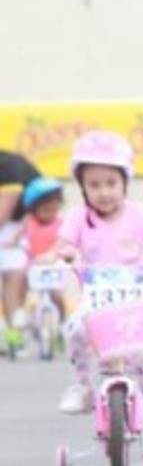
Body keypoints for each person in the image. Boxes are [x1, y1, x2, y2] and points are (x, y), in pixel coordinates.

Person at [55, 131, 143, 446]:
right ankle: (84, 387)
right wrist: (63, 253)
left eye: (111, 183)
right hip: (95, 300)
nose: (103, 192)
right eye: (94, 185)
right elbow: (63, 244)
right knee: (75, 330)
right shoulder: (78, 217)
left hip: (133, 299)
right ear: (82, 187)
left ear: (125, 183)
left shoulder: (139, 214)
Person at [12, 177, 68, 327]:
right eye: (45, 209)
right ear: (33, 208)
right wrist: (11, 243)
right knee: (21, 278)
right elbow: (15, 237)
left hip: (53, 264)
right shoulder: (28, 221)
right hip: (34, 263)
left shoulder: (61, 223)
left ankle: (63, 320)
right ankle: (20, 310)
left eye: (54, 208)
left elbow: (64, 242)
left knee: (56, 294)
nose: (50, 212)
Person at [0, 151, 42, 352]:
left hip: (18, 225)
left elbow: (4, 211)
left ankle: (13, 334)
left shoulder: (9, 167)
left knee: (12, 277)